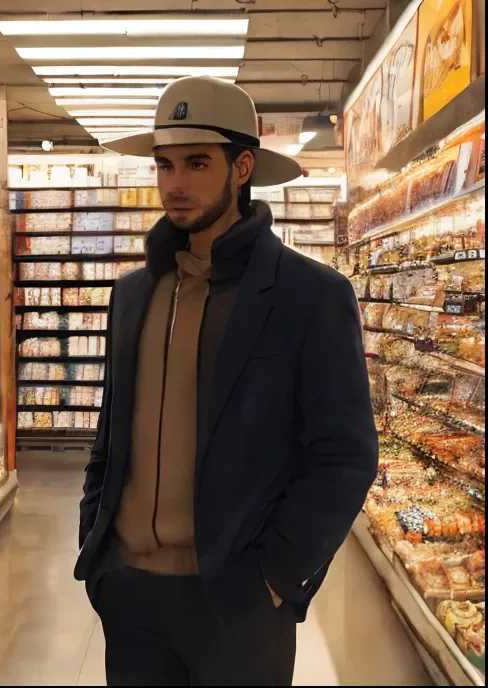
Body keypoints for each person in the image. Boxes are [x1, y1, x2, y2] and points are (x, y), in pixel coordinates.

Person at [74, 76, 378, 686]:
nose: (174, 184)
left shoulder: (310, 296)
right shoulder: (132, 295)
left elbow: (345, 456)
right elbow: (111, 436)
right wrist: (97, 545)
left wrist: (275, 575)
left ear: (243, 167)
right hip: (130, 597)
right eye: (163, 165)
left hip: (237, 603)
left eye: (195, 163)